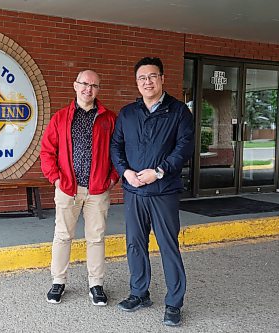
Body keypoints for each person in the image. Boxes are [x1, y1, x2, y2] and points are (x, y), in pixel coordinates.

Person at [110, 57, 194, 326]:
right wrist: (125, 172)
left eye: (152, 76)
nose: (147, 82)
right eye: (142, 78)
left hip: (163, 191)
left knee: (168, 246)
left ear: (162, 79)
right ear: (137, 82)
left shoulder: (179, 112)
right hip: (134, 191)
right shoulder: (128, 113)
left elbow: (184, 149)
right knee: (135, 244)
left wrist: (158, 171)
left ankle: (174, 303)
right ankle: (139, 292)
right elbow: (116, 146)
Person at [40, 70, 119, 306]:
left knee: (96, 238)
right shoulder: (60, 118)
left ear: (98, 89)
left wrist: (112, 179)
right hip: (67, 188)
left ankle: (96, 284)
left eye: (94, 85)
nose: (88, 89)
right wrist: (56, 179)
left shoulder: (109, 118)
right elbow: (47, 151)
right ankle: (58, 281)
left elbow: (119, 153)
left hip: (97, 190)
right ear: (75, 86)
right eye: (84, 84)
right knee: (62, 236)